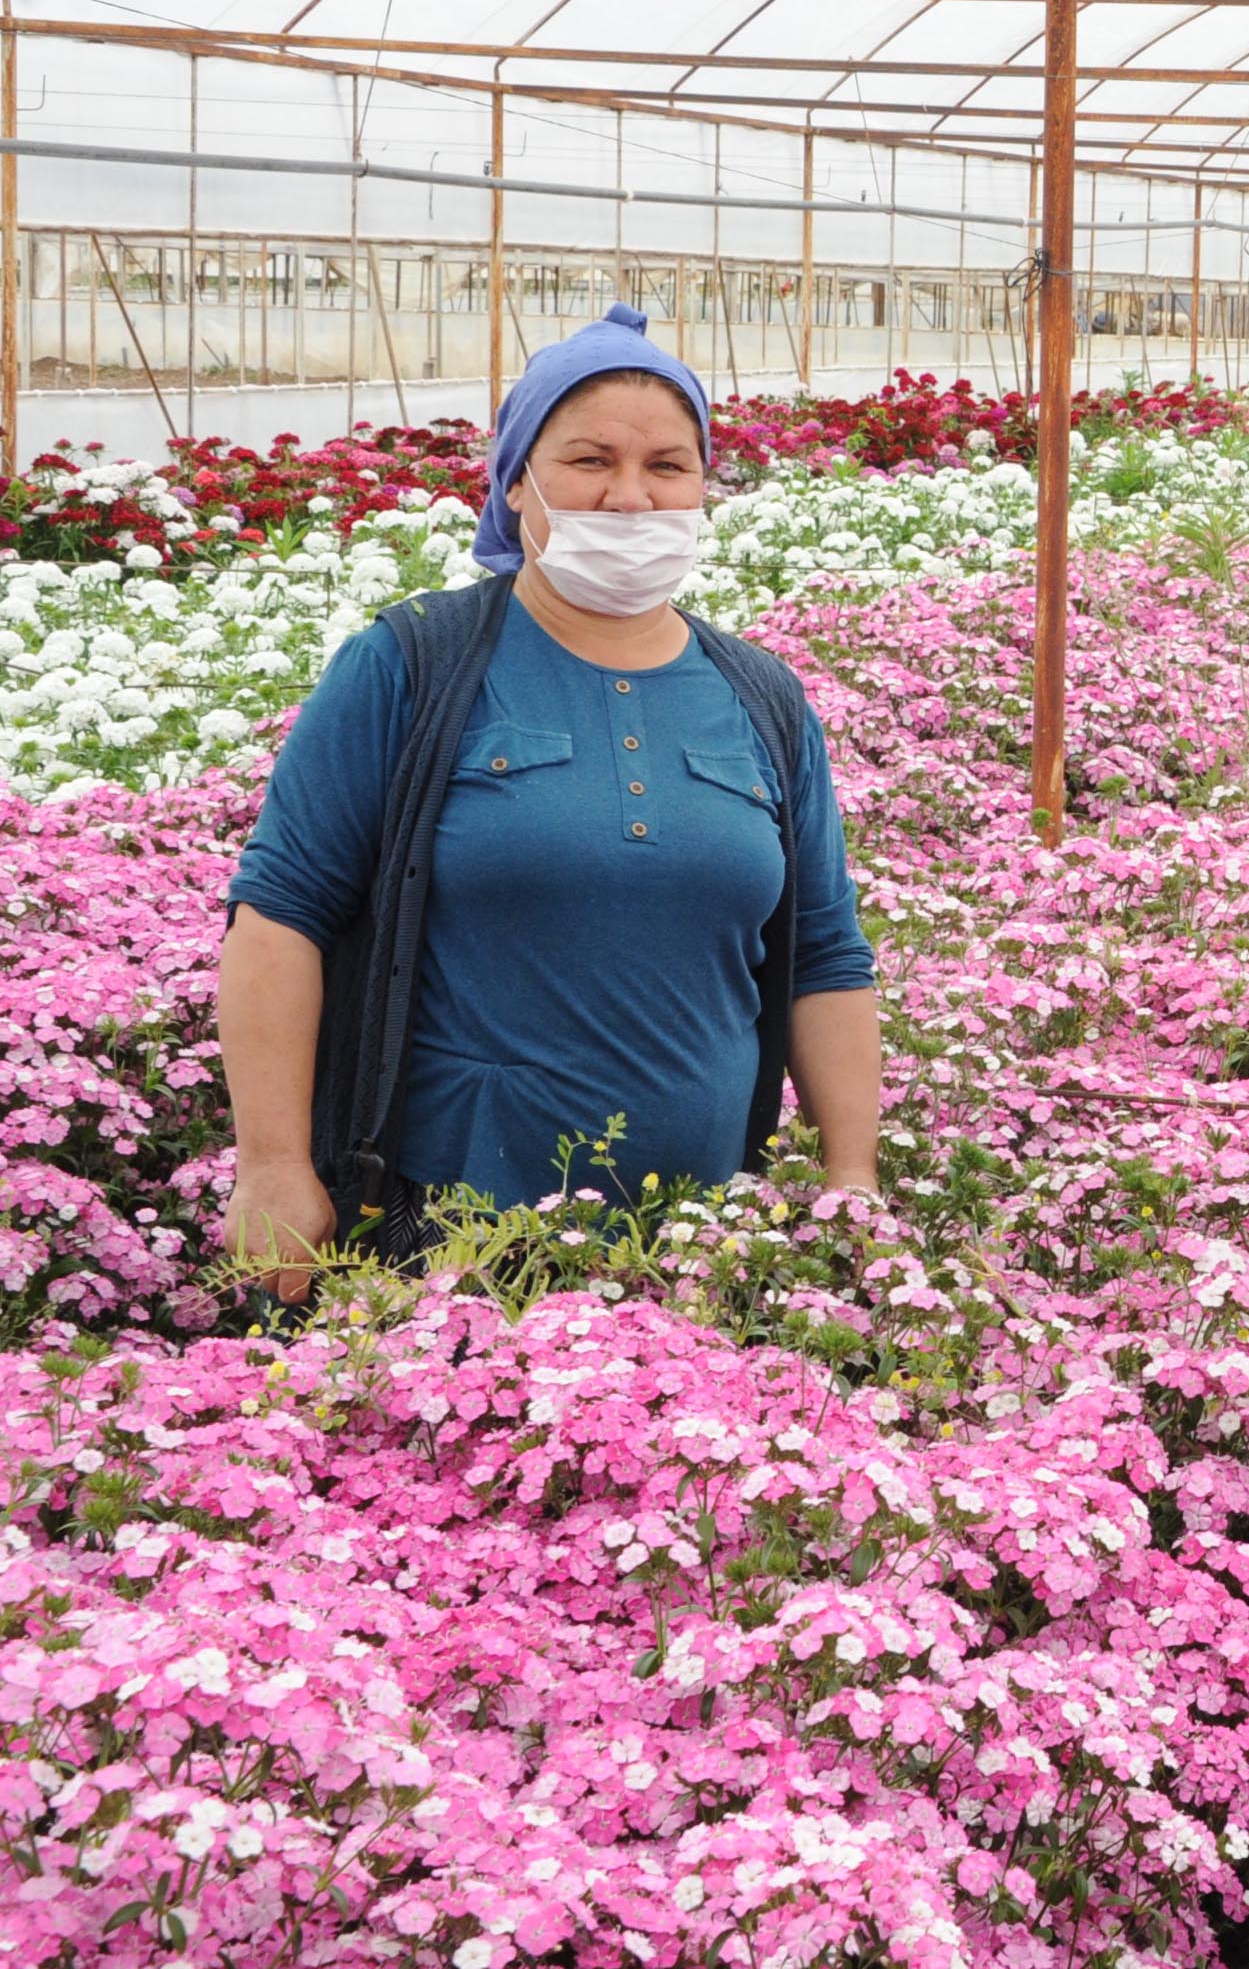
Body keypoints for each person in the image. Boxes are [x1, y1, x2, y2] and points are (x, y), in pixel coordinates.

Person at [217, 305, 880, 1294]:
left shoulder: (760, 697)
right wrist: (273, 1163)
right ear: (516, 477)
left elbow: (823, 955)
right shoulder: (410, 665)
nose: (629, 497)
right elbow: (280, 916)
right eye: (587, 460)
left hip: (694, 1247)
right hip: (441, 1238)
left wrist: (851, 1181)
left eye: (668, 465)